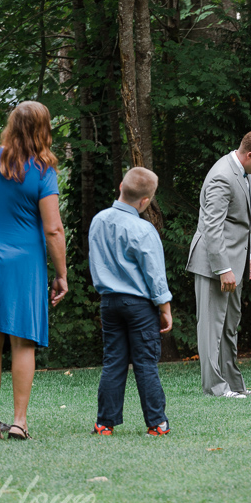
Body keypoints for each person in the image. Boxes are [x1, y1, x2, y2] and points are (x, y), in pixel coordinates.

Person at [0, 101, 68, 441]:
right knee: (23, 344)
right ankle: (19, 421)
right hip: (24, 260)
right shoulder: (43, 169)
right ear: (44, 129)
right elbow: (53, 229)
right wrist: (61, 274)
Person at [187, 131, 251, 398]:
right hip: (214, 264)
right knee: (211, 327)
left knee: (229, 326)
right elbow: (212, 227)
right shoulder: (221, 176)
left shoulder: (244, 173)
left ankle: (233, 386)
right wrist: (223, 268)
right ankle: (215, 388)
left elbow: (241, 219)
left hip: (236, 260)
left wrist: (250, 254)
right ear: (250, 155)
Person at [88, 167, 173, 436]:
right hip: (139, 306)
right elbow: (154, 274)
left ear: (121, 186)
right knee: (145, 363)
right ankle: (156, 422)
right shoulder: (144, 229)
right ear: (145, 201)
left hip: (109, 302)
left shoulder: (98, 221)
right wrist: (165, 308)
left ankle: (104, 423)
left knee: (113, 361)